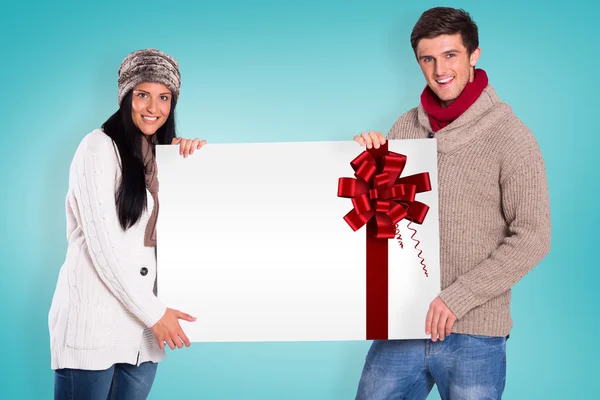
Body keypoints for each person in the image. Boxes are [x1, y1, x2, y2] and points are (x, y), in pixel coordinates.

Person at [353, 7, 551, 399]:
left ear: (474, 55)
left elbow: (533, 237)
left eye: (450, 55)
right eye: (427, 58)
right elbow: (383, 220)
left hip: (475, 331)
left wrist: (456, 298)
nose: (439, 68)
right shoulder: (405, 127)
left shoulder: (512, 137)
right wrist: (367, 164)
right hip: (403, 324)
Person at [48, 48, 206, 400]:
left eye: (164, 97)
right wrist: (155, 314)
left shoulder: (161, 156)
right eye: (143, 95)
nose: (154, 108)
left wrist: (193, 160)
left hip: (142, 337)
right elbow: (104, 248)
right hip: (95, 326)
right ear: (125, 97)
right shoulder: (97, 149)